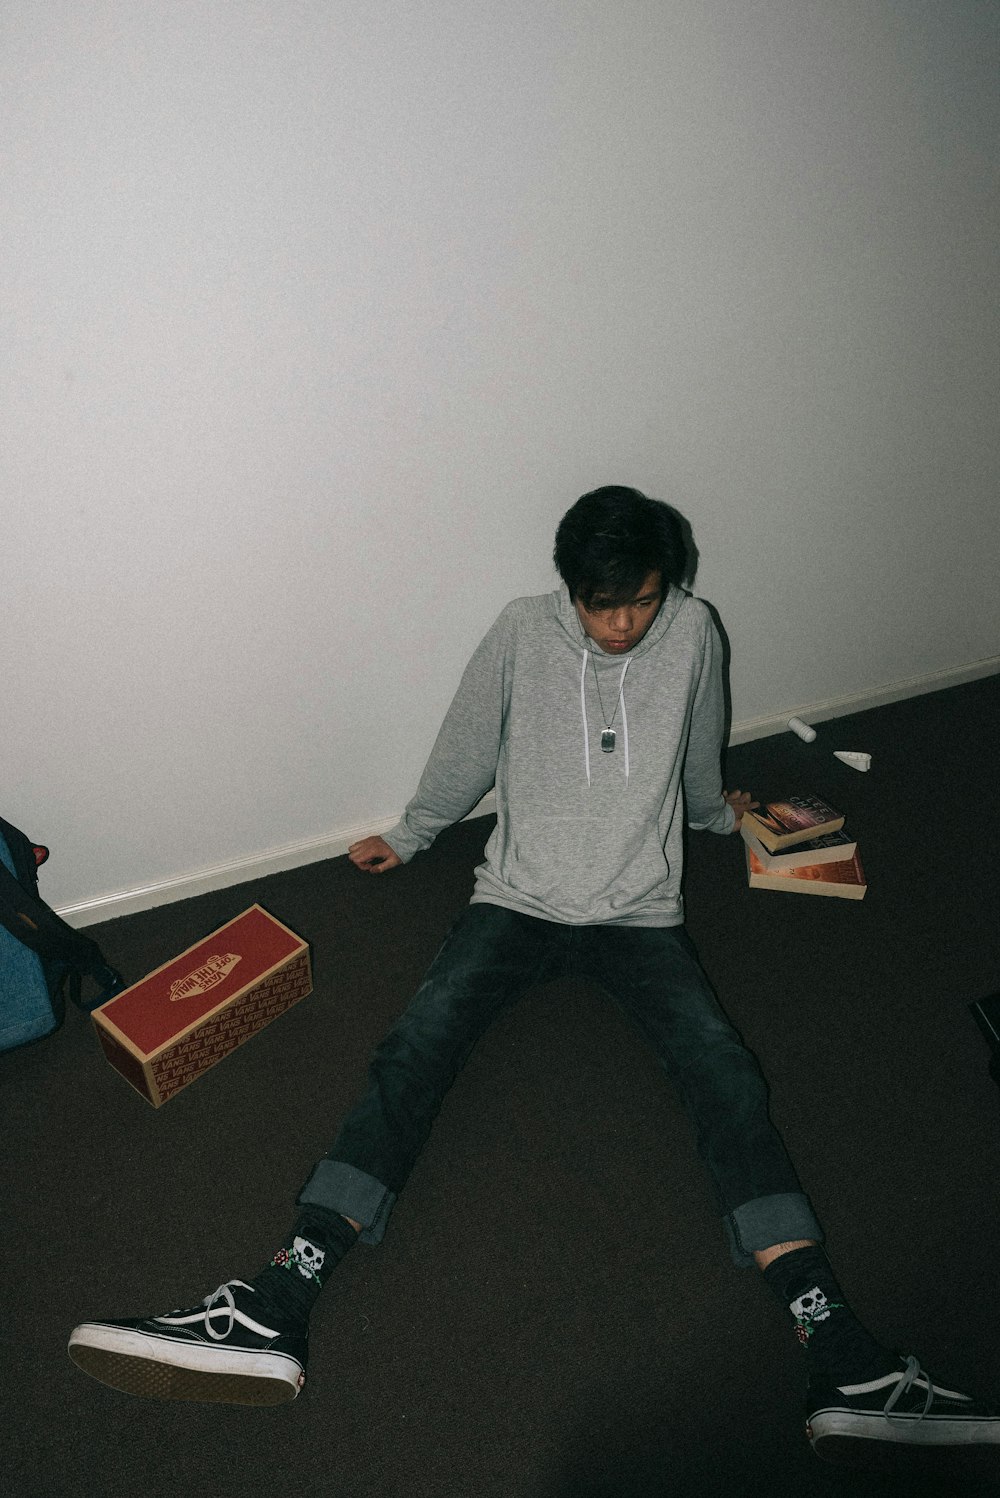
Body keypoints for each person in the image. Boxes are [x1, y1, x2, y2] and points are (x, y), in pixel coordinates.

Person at [68, 486, 998, 1458]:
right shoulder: (519, 632)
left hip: (640, 911)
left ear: (665, 585)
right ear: (570, 590)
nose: (622, 625)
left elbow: (696, 743)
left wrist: (726, 819)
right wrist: (414, 830)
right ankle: (278, 1298)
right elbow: (469, 741)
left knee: (726, 1071)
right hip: (515, 899)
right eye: (603, 607)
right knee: (413, 1048)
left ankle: (838, 1348)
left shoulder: (694, 631)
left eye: (639, 602)